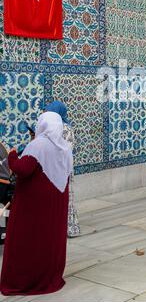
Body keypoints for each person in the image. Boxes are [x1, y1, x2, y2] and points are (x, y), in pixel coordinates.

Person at [0, 112, 73, 296]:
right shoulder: (64, 147)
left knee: (30, 238)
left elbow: (21, 169)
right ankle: (50, 275)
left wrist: (13, 155)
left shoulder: (38, 145)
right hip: (55, 203)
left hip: (35, 206)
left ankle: (27, 280)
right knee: (49, 237)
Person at [45, 101, 80, 238]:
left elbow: (65, 148)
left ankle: (69, 228)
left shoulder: (65, 128)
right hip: (53, 167)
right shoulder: (53, 126)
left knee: (66, 198)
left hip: (62, 168)